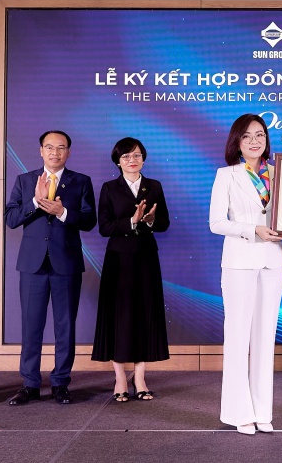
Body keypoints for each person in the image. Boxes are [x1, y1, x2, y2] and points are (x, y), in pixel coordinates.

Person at [5, 130, 97, 405]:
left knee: (65, 325)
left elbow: (89, 220)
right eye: (49, 147)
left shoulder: (81, 181)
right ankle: (30, 384)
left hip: (66, 263)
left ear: (68, 151)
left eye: (61, 148)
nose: (55, 152)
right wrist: (35, 201)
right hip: (32, 264)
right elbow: (11, 218)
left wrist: (62, 212)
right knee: (31, 325)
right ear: (41, 150)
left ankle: (60, 382)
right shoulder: (24, 180)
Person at [209, 114, 282, 435]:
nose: (255, 141)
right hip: (239, 261)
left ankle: (262, 410)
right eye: (247, 136)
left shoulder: (281, 172)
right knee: (238, 338)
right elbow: (216, 223)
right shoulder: (226, 174)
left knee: (266, 338)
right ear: (237, 142)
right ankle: (239, 412)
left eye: (260, 135)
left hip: (273, 261)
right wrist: (253, 229)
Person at [92, 137, 170, 401]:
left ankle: (140, 378)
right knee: (120, 316)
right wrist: (131, 221)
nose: (132, 160)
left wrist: (150, 221)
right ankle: (119, 379)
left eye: (136, 155)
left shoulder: (154, 186)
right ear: (118, 161)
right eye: (126, 156)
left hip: (146, 258)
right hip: (119, 260)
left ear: (143, 159)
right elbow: (104, 227)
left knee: (144, 315)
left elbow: (164, 223)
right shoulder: (109, 188)